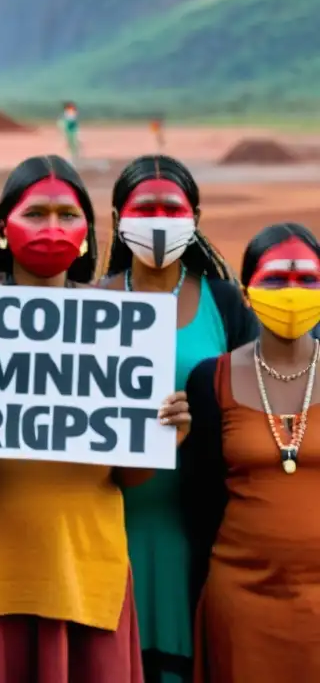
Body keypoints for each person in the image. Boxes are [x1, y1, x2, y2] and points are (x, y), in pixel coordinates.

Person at [0, 155, 191, 683]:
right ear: (2, 223)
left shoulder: (120, 319)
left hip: (87, 563)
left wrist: (169, 437)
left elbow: (128, 475)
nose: (52, 229)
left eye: (67, 216)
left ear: (87, 231)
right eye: (37, 213)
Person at [100, 155, 258, 683]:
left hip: (193, 528)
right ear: (119, 215)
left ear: (195, 216)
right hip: (103, 524)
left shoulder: (226, 303)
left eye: (172, 207)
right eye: (145, 207)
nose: (159, 218)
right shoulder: (87, 303)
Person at [184, 222, 320, 683]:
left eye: (307, 280)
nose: (292, 292)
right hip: (240, 598)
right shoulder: (210, 379)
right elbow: (199, 500)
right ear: (246, 292)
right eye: (276, 279)